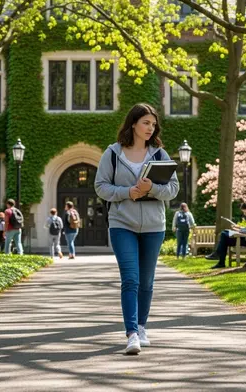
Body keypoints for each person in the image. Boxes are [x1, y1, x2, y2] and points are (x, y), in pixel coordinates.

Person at [95, 103, 179, 355]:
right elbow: (100, 186)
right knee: (130, 279)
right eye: (145, 123)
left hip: (154, 226)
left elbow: (173, 190)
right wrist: (128, 192)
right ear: (133, 123)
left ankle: (142, 327)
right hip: (122, 224)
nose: (150, 128)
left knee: (147, 281)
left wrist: (151, 188)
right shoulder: (112, 153)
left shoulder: (160, 155)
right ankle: (131, 333)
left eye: (153, 124)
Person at [207, 202, 246, 269]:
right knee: (225, 233)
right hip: (244, 237)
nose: (244, 214)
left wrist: (238, 231)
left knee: (224, 236)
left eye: (245, 212)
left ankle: (219, 258)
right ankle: (219, 258)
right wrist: (239, 227)